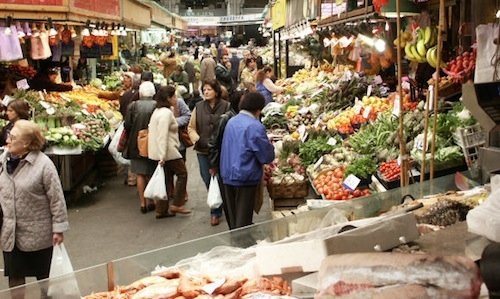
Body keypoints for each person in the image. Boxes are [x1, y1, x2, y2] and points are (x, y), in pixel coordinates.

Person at [0, 120, 69, 296]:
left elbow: (56, 199)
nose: (8, 139)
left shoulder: (43, 165)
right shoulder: (3, 160)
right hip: (11, 233)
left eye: (13, 137)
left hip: (39, 234)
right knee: (15, 275)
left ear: (27, 144)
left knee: (44, 278)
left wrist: (59, 229)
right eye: (9, 135)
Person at [220, 92, 275, 229]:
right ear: (258, 109)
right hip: (245, 176)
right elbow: (266, 156)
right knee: (243, 221)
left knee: (234, 220)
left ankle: (236, 245)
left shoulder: (232, 121)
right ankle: (242, 247)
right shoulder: (255, 126)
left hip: (227, 174)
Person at [188, 80, 231, 226]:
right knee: (208, 179)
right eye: (204, 89)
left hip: (221, 150)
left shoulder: (226, 106)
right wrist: (197, 140)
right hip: (202, 150)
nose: (206, 92)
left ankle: (224, 206)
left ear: (216, 91)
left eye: (209, 89)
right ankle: (215, 209)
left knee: (221, 179)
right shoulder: (198, 107)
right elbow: (191, 128)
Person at [148, 86, 192, 219]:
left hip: (159, 150)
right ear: (168, 98)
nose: (176, 99)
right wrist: (162, 155)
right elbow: (162, 134)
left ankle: (161, 210)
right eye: (174, 96)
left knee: (166, 178)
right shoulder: (166, 113)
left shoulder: (157, 111)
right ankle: (177, 203)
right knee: (182, 173)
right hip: (168, 151)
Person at [207, 90, 245, 229]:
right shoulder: (226, 118)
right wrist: (213, 165)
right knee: (230, 200)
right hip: (227, 165)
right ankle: (235, 229)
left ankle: (239, 227)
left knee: (238, 200)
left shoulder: (242, 117)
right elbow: (213, 143)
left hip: (236, 164)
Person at [123, 81, 158, 214]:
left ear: (141, 93)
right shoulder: (156, 106)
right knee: (152, 172)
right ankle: (153, 201)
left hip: (136, 143)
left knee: (140, 174)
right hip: (152, 143)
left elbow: (127, 125)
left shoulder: (133, 106)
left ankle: (143, 203)